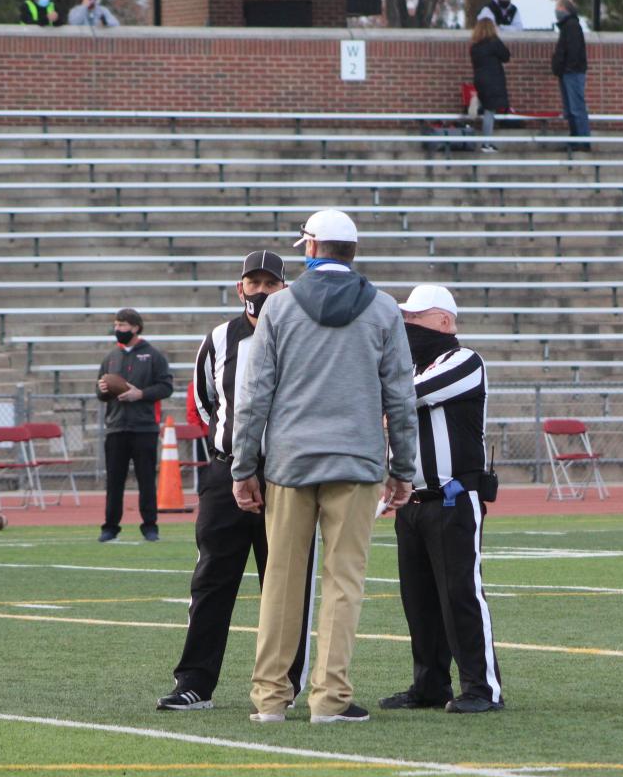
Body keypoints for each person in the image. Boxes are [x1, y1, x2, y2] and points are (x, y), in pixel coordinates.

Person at [231, 209, 418, 724]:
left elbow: (254, 397)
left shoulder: (279, 309)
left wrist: (243, 466)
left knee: (281, 582)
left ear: (311, 249)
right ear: (351, 252)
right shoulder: (382, 310)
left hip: (290, 461)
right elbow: (401, 398)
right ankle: (330, 699)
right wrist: (404, 469)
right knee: (343, 583)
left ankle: (270, 699)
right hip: (356, 461)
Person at [157, 252, 314, 711]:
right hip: (227, 472)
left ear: (285, 288)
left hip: (285, 474)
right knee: (211, 580)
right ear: (238, 287)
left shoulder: (302, 335)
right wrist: (231, 451)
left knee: (286, 584)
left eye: (270, 282)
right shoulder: (219, 337)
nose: (261, 290)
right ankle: (195, 682)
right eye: (254, 281)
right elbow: (206, 403)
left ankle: (286, 686)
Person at [381, 285, 504, 714]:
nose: (407, 325)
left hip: (453, 498)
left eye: (416, 318)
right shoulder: (403, 366)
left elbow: (404, 397)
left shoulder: (464, 360)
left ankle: (482, 688)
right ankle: (429, 685)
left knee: (460, 596)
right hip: (412, 501)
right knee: (419, 600)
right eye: (406, 318)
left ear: (445, 322)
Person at [97, 308, 173, 543]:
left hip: (144, 428)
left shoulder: (153, 356)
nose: (118, 329)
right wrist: (102, 390)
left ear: (136, 327)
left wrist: (140, 394)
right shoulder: (110, 357)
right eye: (116, 325)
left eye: (122, 325)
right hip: (116, 427)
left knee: (146, 480)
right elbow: (100, 393)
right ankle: (110, 527)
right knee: (114, 481)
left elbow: (166, 387)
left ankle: (150, 526)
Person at [552, 0, 591, 147]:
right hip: (567, 72)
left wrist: (566, 67)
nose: (556, 12)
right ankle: (575, 138)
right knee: (570, 109)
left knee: (576, 108)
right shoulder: (567, 26)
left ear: (565, 9)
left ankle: (583, 141)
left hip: (572, 72)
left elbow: (573, 51)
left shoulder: (572, 26)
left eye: (558, 8)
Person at [470, 18, 511, 152]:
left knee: (488, 108)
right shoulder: (494, 43)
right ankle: (486, 143)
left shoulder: (475, 47)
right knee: (490, 111)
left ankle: (477, 107)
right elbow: (506, 56)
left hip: (479, 80)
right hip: (492, 81)